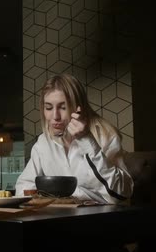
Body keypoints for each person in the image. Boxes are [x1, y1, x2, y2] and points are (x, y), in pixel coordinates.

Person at [15, 73, 133, 204]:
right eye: (48, 107)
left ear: (78, 107)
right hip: (58, 217)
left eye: (63, 107)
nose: (55, 116)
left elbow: (121, 194)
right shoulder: (44, 142)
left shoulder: (105, 135)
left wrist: (86, 140)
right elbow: (23, 188)